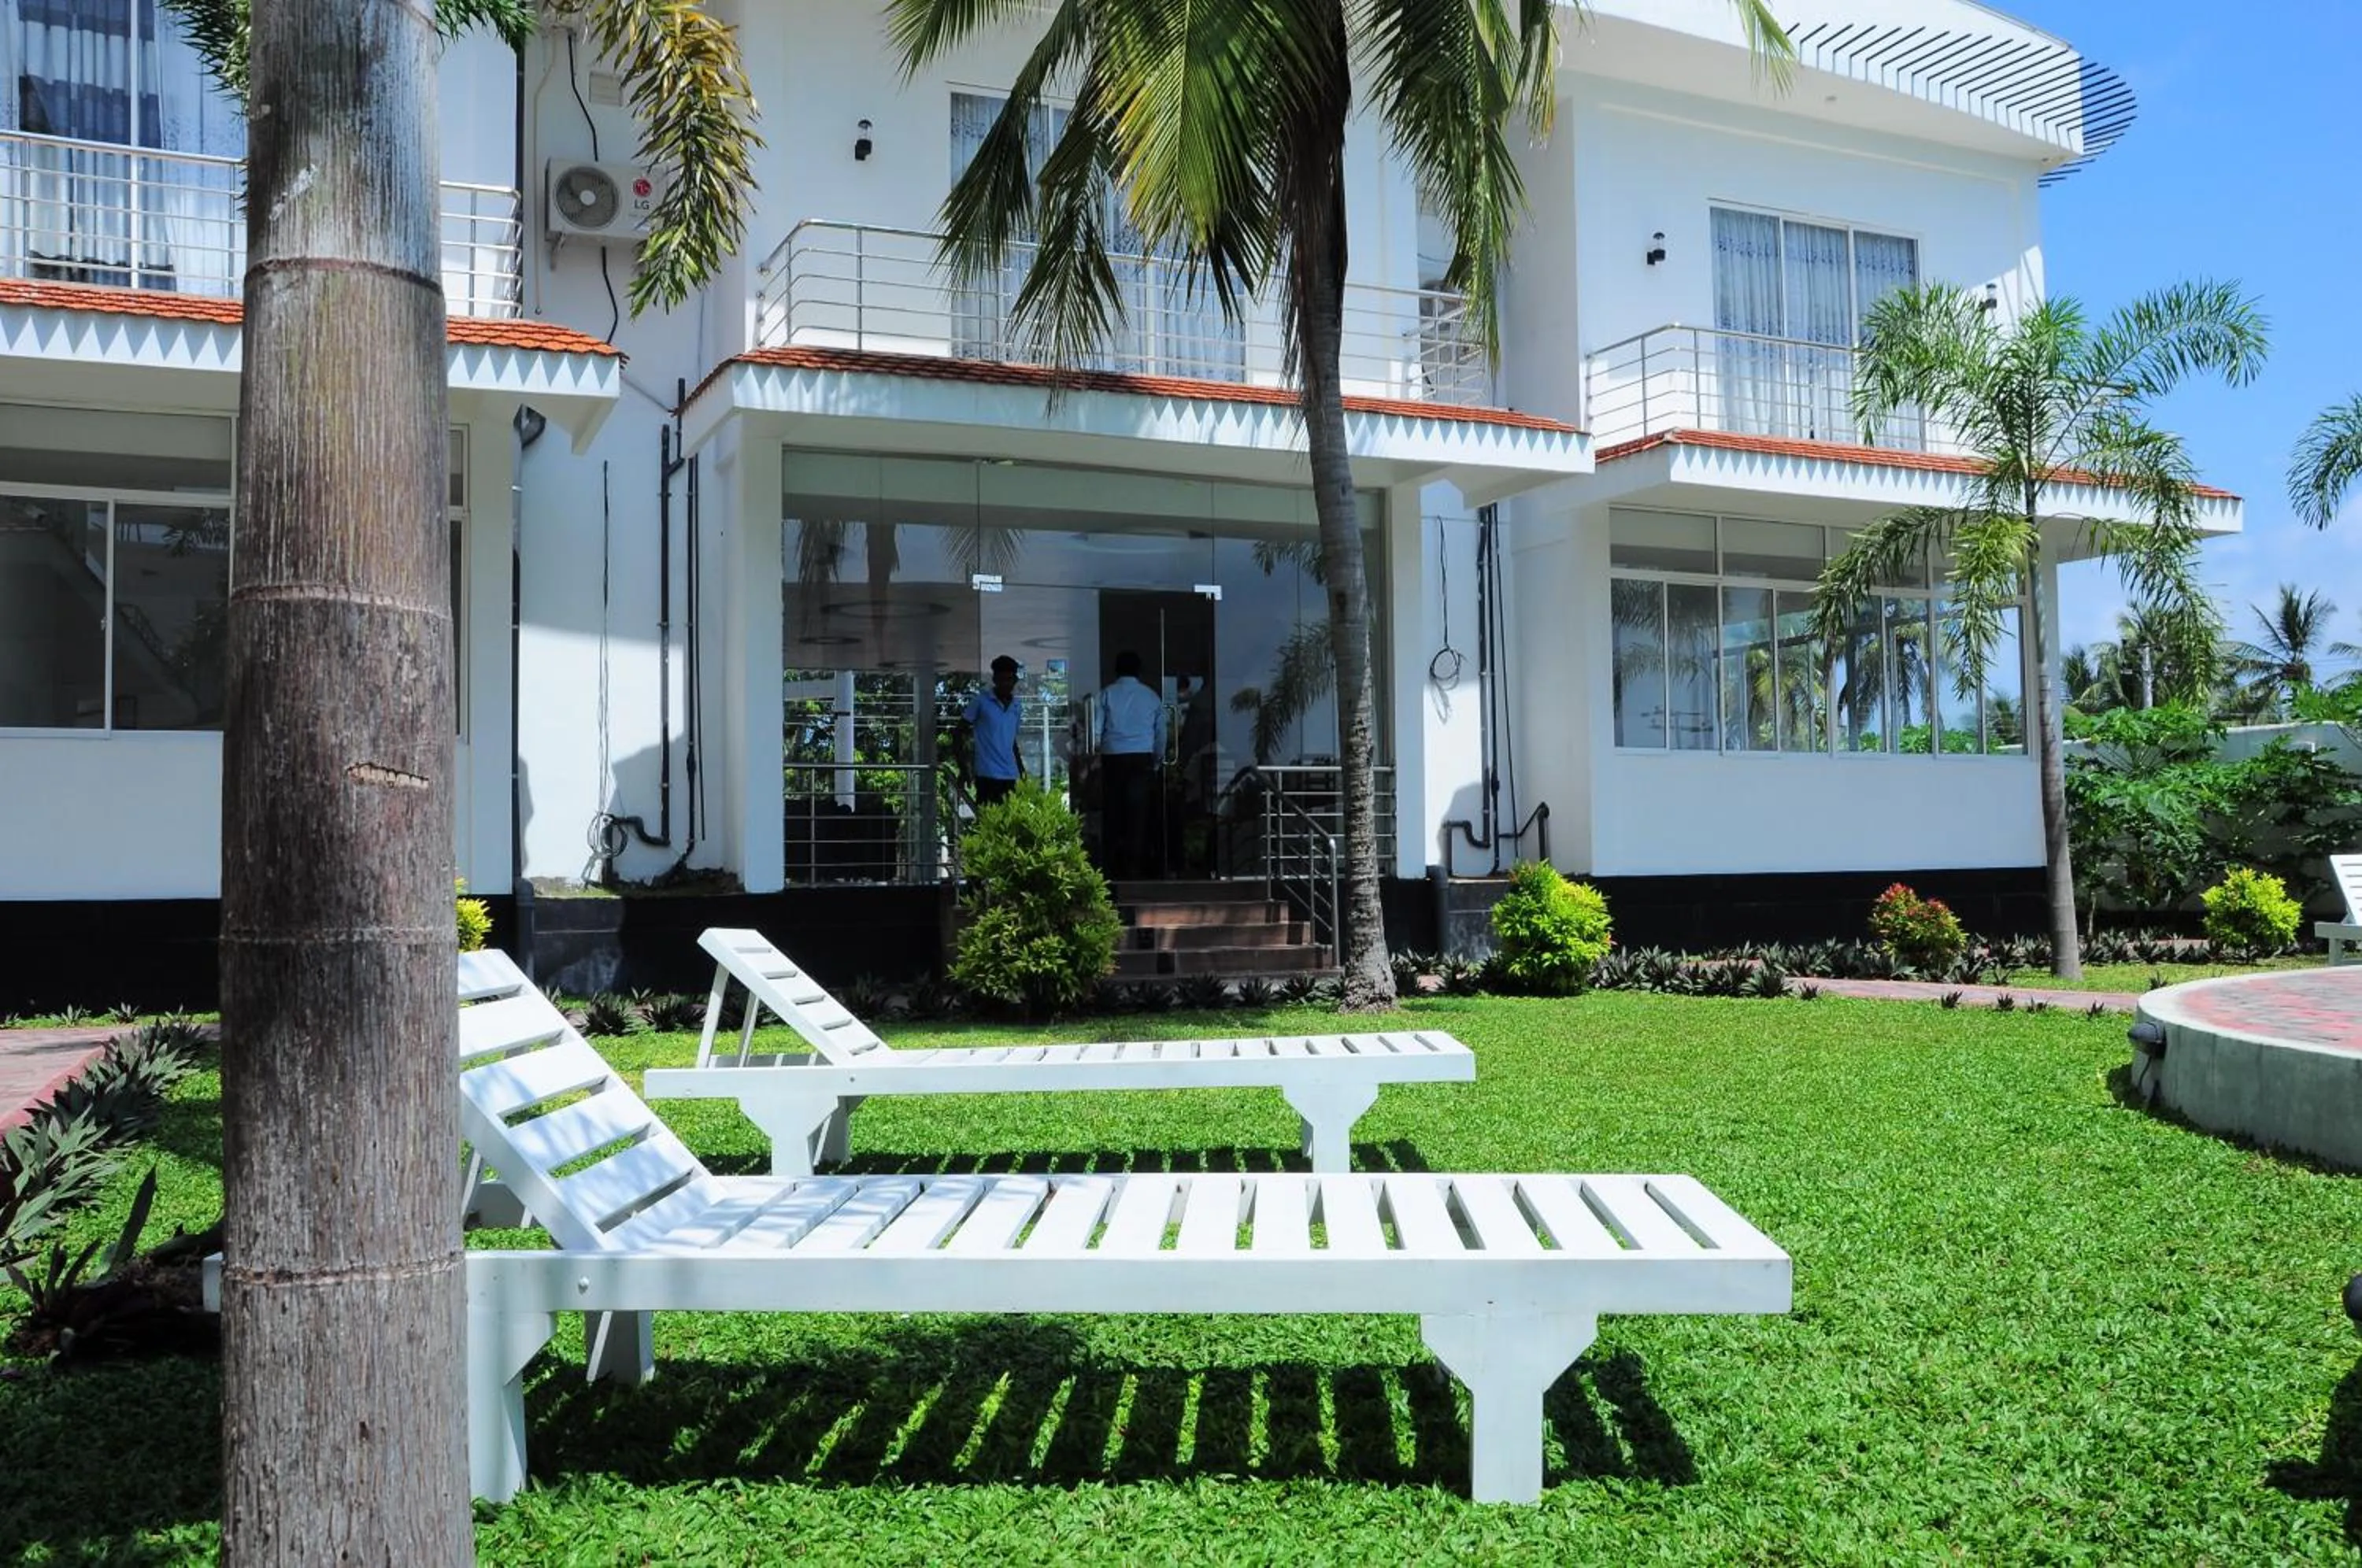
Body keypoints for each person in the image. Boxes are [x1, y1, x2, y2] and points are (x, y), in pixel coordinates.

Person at [1095, 649, 1165, 878]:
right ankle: (1135, 868)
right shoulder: (1151, 696)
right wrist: (1156, 761)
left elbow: (1096, 730)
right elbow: (1161, 735)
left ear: (1116, 670)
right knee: (1139, 816)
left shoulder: (1106, 694)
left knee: (1113, 813)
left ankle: (1111, 869)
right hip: (1141, 759)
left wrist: (1096, 754)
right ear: (1139, 671)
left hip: (1113, 757)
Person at [959, 654, 1024, 808]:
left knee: (1009, 825)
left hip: (1010, 774)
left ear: (1014, 680)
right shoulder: (981, 702)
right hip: (986, 774)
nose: (1005, 684)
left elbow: (1011, 741)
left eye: (1009, 679)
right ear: (995, 680)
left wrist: (1021, 768)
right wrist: (964, 767)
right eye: (1001, 679)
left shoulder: (1017, 706)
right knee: (987, 823)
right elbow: (958, 732)